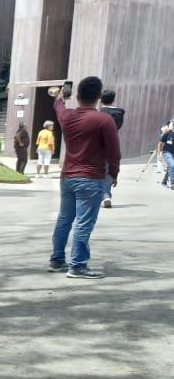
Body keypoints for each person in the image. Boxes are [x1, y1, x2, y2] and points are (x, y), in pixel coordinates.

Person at [50, 76, 120, 279]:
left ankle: (57, 260)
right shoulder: (104, 120)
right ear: (98, 96)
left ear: (78, 95)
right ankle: (78, 266)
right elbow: (114, 153)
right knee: (84, 222)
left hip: (67, 177)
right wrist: (113, 173)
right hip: (91, 177)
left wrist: (62, 95)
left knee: (64, 220)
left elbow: (58, 105)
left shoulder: (67, 116)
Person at [99, 89, 125, 208]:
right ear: (113, 99)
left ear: (101, 99)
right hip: (112, 143)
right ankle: (106, 196)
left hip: (96, 145)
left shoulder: (99, 113)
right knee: (108, 170)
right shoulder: (119, 114)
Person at [159, 123, 174, 188]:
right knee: (172, 165)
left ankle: (164, 182)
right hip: (167, 152)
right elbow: (160, 143)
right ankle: (172, 183)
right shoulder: (167, 133)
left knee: (170, 167)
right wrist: (159, 153)